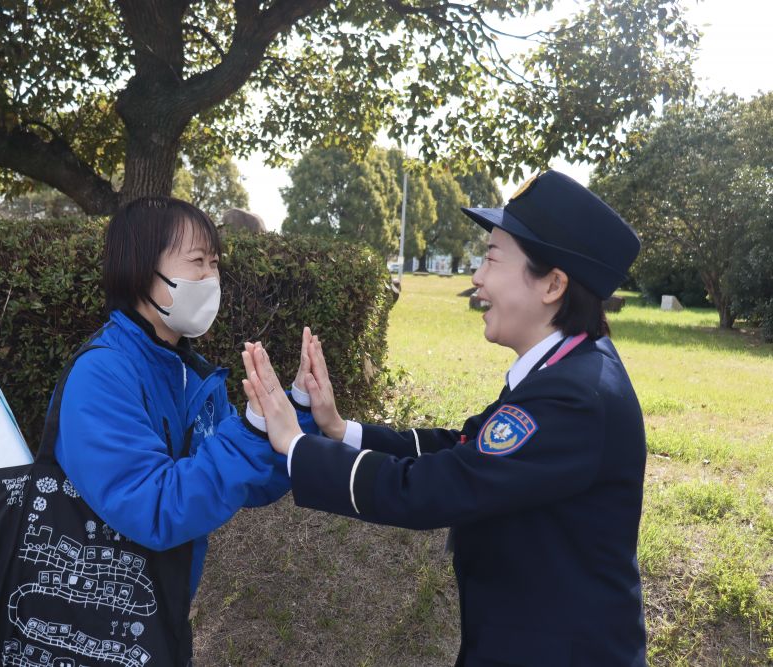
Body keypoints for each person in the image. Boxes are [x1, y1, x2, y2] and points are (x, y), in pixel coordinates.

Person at [245, 170, 648, 666]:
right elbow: (463, 446)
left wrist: (295, 443)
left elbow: (432, 488)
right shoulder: (567, 369)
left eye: (491, 258)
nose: (476, 278)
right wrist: (336, 428)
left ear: (553, 285)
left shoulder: (575, 397)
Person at [54, 196, 304, 665]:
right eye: (196, 262)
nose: (211, 279)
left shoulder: (190, 372)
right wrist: (251, 430)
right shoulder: (103, 374)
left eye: (214, 264)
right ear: (141, 269)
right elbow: (156, 508)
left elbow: (245, 478)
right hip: (91, 624)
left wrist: (297, 424)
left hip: (159, 611)